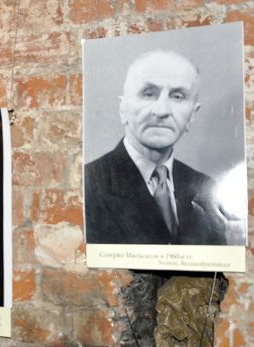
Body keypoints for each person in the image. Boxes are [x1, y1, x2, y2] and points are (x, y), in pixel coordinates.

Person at [84, 50, 226, 245]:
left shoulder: (205, 189)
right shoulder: (90, 184)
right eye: (149, 94)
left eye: (177, 96)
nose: (161, 111)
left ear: (192, 115)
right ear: (123, 108)